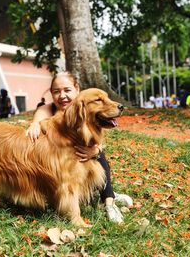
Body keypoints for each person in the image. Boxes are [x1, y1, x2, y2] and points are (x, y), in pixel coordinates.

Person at [26, 72, 133, 223]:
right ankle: (90, 199)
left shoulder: (83, 105)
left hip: (87, 154)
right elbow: (38, 120)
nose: (62, 96)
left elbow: (96, 144)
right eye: (56, 91)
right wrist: (35, 124)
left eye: (67, 90)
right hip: (63, 160)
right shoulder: (48, 109)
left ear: (77, 89)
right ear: (51, 94)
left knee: (98, 153)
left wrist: (95, 151)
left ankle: (109, 200)